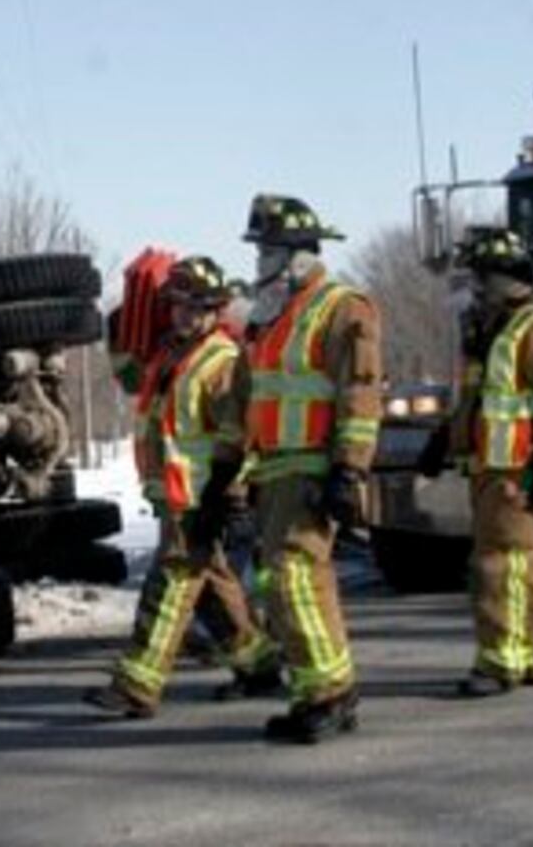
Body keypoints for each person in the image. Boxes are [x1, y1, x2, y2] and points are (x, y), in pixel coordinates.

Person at [85, 256, 282, 719]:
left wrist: (230, 495)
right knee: (212, 586)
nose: (184, 315)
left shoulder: (222, 362)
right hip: (175, 495)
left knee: (169, 585)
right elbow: (143, 397)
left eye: (195, 307)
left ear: (216, 310)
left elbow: (241, 435)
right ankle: (258, 666)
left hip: (201, 496)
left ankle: (137, 684)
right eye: (177, 305)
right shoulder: (172, 355)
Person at [240, 194, 383, 744]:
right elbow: (261, 399)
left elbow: (360, 392)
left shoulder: (343, 307)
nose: (262, 261)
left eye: (270, 250)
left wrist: (349, 469)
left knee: (297, 576)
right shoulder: (276, 316)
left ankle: (331, 694)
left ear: (300, 255)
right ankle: (313, 693)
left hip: (314, 467)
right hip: (277, 469)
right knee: (281, 581)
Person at [419, 227, 533, 697]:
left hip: (515, 466)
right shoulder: (487, 334)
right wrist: (443, 440)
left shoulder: (532, 330)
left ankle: (498, 661)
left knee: (495, 563)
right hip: (490, 466)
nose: (473, 288)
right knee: (522, 563)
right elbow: (476, 401)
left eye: (480, 278)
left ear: (502, 279)